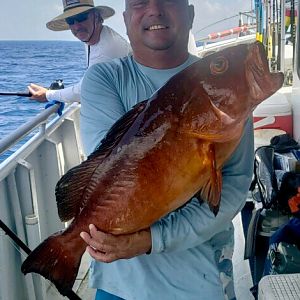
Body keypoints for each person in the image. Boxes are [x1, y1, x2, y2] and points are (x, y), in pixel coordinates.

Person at [79, 0, 254, 299]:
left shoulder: (225, 85)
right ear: (125, 18)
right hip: (121, 282)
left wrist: (151, 239)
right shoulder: (104, 79)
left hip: (204, 278)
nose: (155, 9)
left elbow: (234, 188)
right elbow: (110, 173)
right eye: (139, 2)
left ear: (191, 14)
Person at [28, 0, 131, 103]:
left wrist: (47, 95)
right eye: (71, 20)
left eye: (82, 17)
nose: (77, 26)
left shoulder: (108, 50)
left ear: (96, 17)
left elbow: (85, 91)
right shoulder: (96, 36)